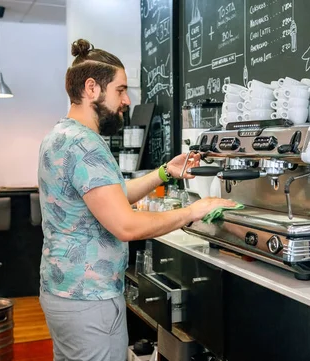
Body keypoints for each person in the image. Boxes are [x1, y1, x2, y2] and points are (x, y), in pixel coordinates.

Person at [37, 38, 236, 361]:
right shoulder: (85, 146)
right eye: (120, 89)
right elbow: (125, 224)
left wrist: (164, 173)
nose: (127, 100)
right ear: (91, 88)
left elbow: (113, 197)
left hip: (65, 292)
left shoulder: (61, 136)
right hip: (90, 299)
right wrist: (194, 210)